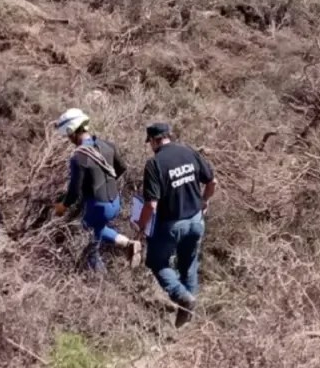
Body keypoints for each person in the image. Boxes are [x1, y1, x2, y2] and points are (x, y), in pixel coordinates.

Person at [137, 123, 216, 327]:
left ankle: (182, 297)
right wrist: (204, 201)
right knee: (188, 265)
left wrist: (140, 225)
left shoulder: (154, 164)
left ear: (154, 141)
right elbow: (212, 182)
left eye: (150, 143)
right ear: (168, 136)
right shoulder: (188, 151)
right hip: (196, 220)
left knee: (157, 263)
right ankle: (187, 320)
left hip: (171, 225)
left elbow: (151, 204)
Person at [54, 108, 142, 272]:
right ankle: (127, 244)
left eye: (67, 134)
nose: (68, 138)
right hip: (115, 202)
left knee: (86, 239)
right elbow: (121, 168)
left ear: (71, 131)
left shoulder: (78, 157)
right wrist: (105, 182)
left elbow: (74, 191)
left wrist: (62, 207)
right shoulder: (107, 145)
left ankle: (100, 282)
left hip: (98, 206)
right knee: (97, 228)